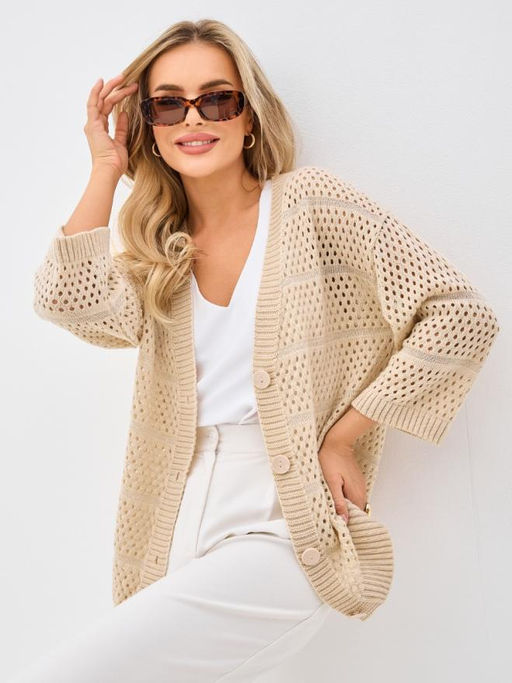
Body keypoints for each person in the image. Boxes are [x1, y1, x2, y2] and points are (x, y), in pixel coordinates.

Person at [13, 17, 499, 683]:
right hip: (175, 516)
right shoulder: (161, 253)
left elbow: (460, 316)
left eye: (217, 99)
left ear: (248, 117)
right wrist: (105, 168)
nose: (194, 117)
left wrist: (344, 435)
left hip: (285, 520)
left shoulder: (312, 205)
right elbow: (66, 298)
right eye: (168, 105)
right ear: (149, 127)